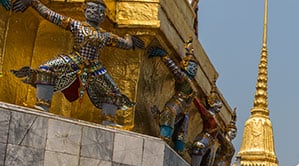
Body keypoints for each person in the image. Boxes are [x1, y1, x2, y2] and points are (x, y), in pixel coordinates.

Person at [10, 0, 144, 124]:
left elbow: (125, 44)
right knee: (45, 69)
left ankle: (109, 120)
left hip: (95, 66)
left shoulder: (106, 35)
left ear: (104, 16)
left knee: (113, 91)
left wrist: (129, 38)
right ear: (84, 10)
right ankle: (42, 104)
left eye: (100, 11)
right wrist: (34, 2)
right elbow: (50, 15)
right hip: (75, 59)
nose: (95, 13)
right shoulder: (76, 25)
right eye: (92, 8)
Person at [149, 38, 198, 154]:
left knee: (171, 120)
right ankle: (170, 143)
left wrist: (164, 55)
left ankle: (171, 143)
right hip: (182, 107)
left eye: (195, 68)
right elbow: (175, 70)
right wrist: (164, 56)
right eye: (191, 66)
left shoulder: (187, 81)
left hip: (179, 106)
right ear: (184, 65)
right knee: (176, 126)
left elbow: (174, 70)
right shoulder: (187, 80)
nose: (193, 69)